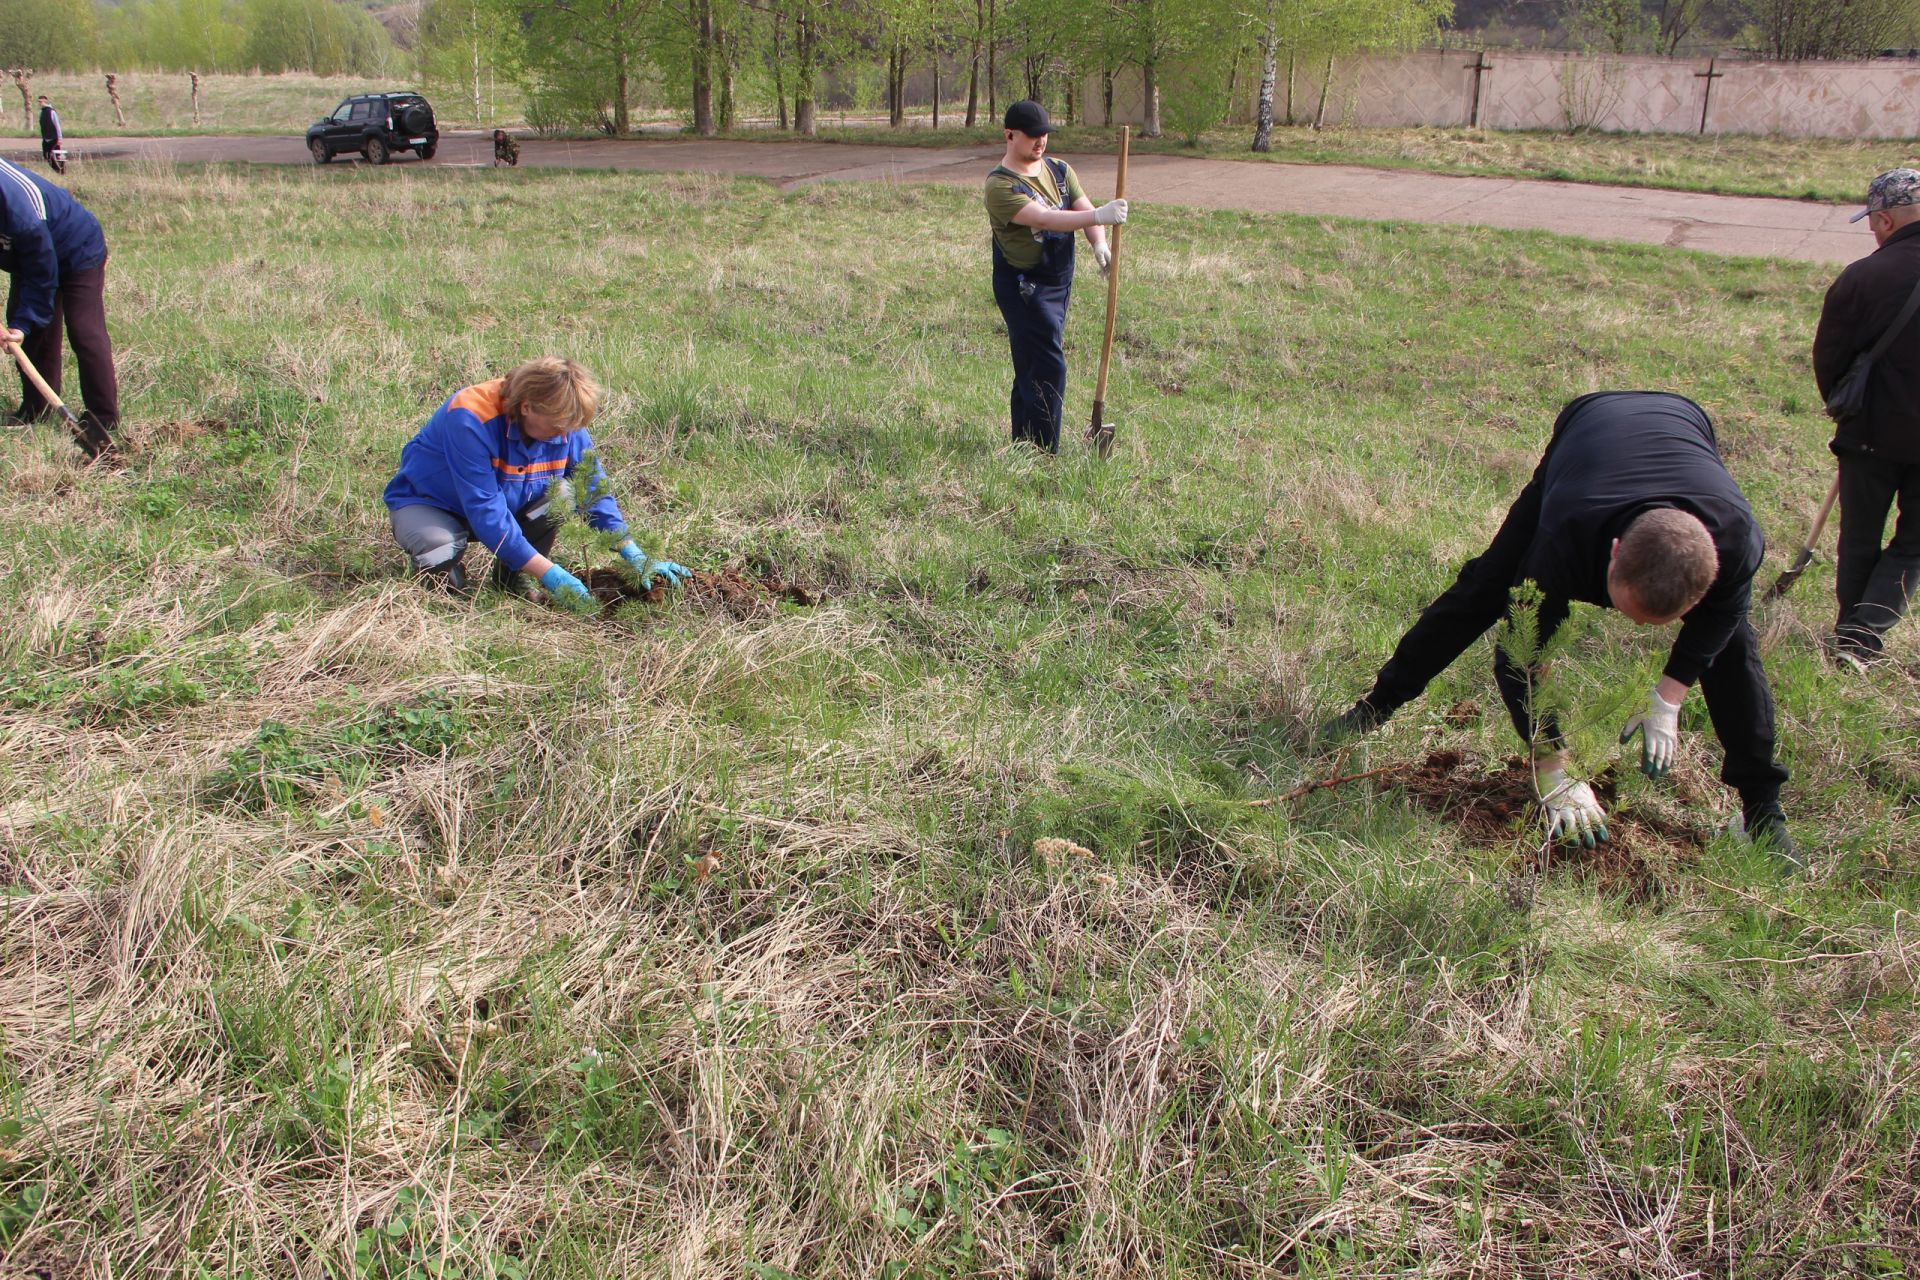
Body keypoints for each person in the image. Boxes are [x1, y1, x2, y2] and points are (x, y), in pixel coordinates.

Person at [1319, 391, 1798, 867]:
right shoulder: (1566, 534)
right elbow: (1520, 651)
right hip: (1589, 427)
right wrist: (1554, 765)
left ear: (1708, 582)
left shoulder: (1735, 543)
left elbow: (1721, 621)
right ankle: (1373, 708)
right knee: (1485, 588)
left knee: (1732, 650)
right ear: (1612, 553)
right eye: (1623, 607)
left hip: (1683, 422)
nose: (1630, 626)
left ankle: (1763, 810)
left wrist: (1668, 696)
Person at [382, 357, 690, 605]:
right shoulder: (470, 417)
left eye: (574, 427)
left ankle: (512, 578)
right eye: (559, 427)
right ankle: (444, 575)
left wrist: (631, 551)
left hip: (504, 505)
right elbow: (485, 509)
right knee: (440, 557)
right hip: (433, 505)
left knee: (565, 495)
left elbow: (592, 490)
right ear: (527, 407)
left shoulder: (565, 422)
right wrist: (550, 573)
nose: (567, 436)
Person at [1812, 168, 1920, 669]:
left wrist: (1843, 403)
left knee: (1859, 535)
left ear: (1885, 219)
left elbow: (1829, 358)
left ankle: (1849, 634)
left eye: (1873, 222)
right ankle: (1863, 635)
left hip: (1869, 435)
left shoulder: (1862, 276)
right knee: (1914, 544)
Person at [984, 99, 1127, 453]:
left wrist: (1100, 245)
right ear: (1009, 135)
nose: (1040, 141)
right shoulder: (1000, 187)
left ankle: (1024, 443)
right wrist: (1098, 218)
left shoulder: (1060, 171)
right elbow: (1047, 219)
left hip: (1056, 283)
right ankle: (1045, 450)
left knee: (1031, 362)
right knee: (1049, 365)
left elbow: (1081, 208)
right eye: (1032, 135)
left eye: (1044, 134)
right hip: (1022, 287)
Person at [0, 156, 116, 458]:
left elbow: (42, 273)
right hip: (28, 258)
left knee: (83, 330)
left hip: (76, 250)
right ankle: (35, 412)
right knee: (32, 335)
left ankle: (104, 418)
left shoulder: (17, 204)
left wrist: (23, 324)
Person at [37, 95, 64, 174]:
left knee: (58, 156)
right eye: (38, 102)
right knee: (46, 156)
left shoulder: (51, 112)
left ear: (45, 101)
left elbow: (57, 125)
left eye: (40, 101)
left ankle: (61, 171)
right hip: (46, 138)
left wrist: (60, 138)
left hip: (54, 138)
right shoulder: (42, 112)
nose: (39, 103)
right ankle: (57, 170)